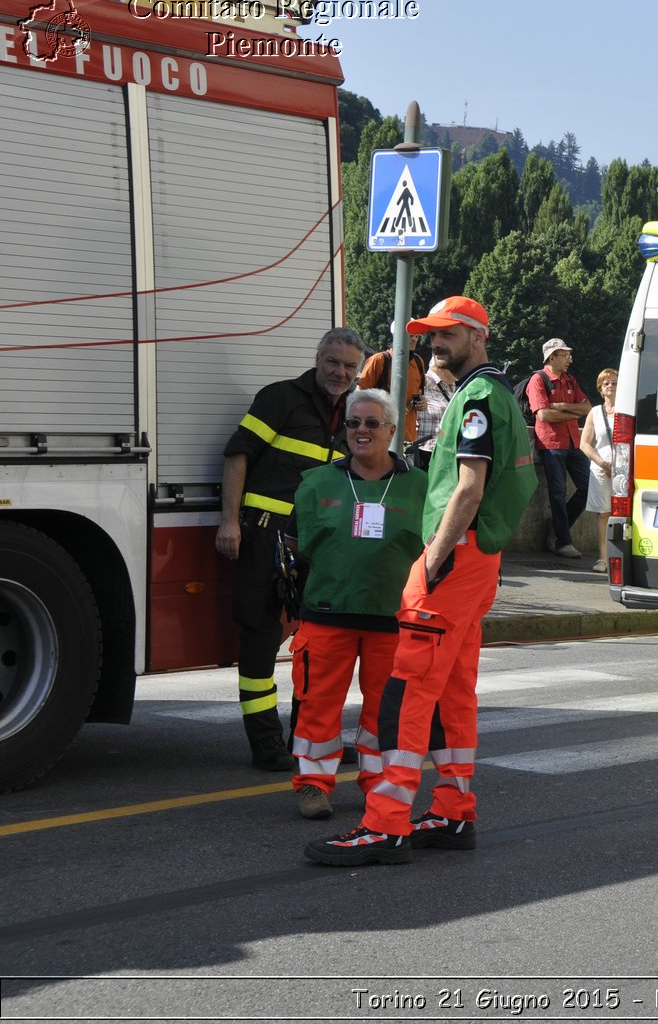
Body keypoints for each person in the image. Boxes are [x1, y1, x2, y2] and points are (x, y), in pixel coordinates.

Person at [305, 296, 538, 865]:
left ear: (478, 336)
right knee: (455, 690)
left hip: (455, 560)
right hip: (478, 560)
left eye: (448, 333)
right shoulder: (498, 393)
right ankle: (455, 811)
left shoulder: (477, 397)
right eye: (430, 333)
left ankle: (386, 824)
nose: (436, 343)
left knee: (407, 692)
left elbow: (468, 486)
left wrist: (433, 559)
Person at [217, 326, 363, 772]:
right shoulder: (280, 398)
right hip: (265, 536)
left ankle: (311, 737)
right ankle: (266, 745)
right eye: (332, 362)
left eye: (349, 366)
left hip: (316, 547)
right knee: (261, 638)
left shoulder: (353, 414)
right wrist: (228, 521)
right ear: (317, 359)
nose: (339, 371)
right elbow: (237, 454)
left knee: (317, 643)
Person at [284, 388, 426, 820]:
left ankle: (378, 785)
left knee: (385, 712)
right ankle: (312, 785)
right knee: (317, 704)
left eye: (371, 423)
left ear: (391, 430)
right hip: (328, 612)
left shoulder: (421, 486)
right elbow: (294, 545)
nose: (361, 431)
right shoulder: (317, 483)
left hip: (393, 617)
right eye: (352, 423)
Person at [526, 337, 591, 559]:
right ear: (551, 357)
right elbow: (543, 415)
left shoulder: (570, 380)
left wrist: (561, 407)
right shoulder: (538, 380)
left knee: (589, 488)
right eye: (565, 355)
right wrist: (573, 412)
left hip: (574, 441)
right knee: (558, 492)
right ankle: (563, 541)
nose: (569, 360)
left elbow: (587, 408)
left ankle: (556, 526)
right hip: (551, 443)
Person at [579, 367, 618, 573]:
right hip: (600, 468)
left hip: (624, 467)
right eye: (606, 383)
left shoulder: (627, 411)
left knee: (622, 513)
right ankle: (603, 558)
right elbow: (584, 443)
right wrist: (602, 463)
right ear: (600, 389)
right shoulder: (595, 412)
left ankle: (620, 557)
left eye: (614, 383)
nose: (610, 386)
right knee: (603, 514)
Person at [356, 335, 428, 444]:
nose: (414, 339)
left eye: (417, 336)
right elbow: (358, 397)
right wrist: (389, 407)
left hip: (409, 439)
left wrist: (423, 403)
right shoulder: (379, 360)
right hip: (379, 438)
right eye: (410, 335)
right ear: (396, 334)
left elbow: (419, 392)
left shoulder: (418, 362)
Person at [408, 352, 457, 471]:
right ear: (442, 368)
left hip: (447, 454)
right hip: (424, 454)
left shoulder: (454, 386)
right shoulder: (423, 382)